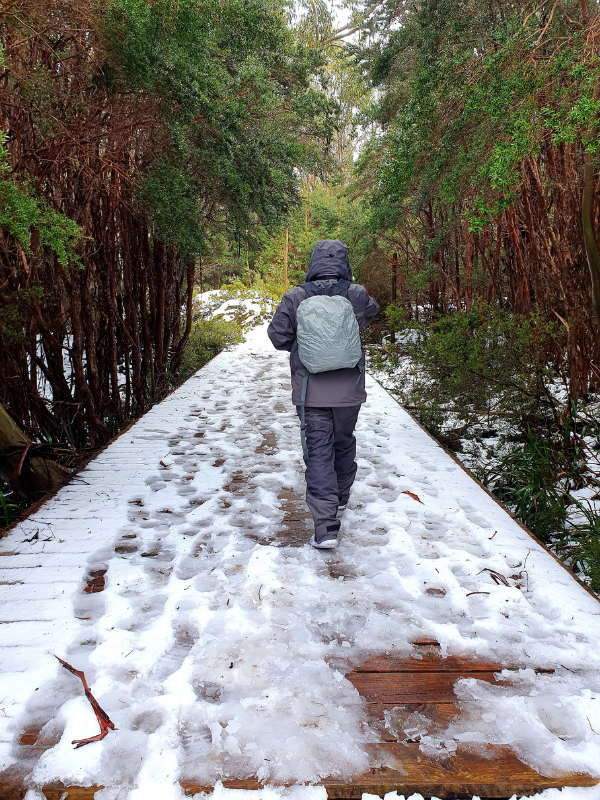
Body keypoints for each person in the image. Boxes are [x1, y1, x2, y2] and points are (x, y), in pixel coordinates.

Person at [267, 239, 380, 550]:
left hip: (310, 392)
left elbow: (277, 336)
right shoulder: (356, 294)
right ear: (344, 263)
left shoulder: (296, 296)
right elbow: (372, 312)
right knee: (343, 444)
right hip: (349, 392)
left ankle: (326, 528)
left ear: (313, 263)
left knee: (318, 453)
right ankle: (340, 499)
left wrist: (305, 345)